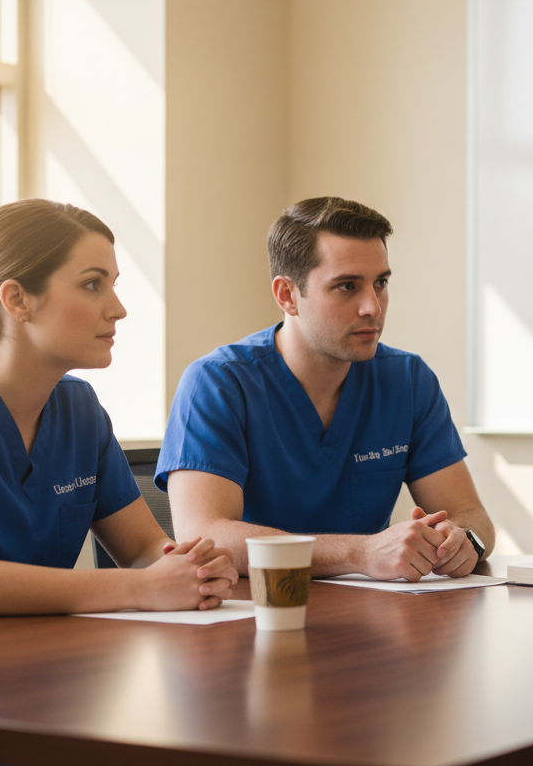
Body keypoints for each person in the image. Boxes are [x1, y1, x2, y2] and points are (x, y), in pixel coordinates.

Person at [0, 201, 240, 765]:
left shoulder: (79, 408)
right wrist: (144, 589)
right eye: (93, 285)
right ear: (17, 299)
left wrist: (187, 566)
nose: (117, 309)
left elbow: (141, 548)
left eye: (114, 284)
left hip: (28, 683)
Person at [158, 197, 494, 581]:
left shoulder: (409, 380)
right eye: (347, 286)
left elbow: (472, 515)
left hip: (372, 619)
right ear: (287, 295)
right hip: (254, 617)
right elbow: (204, 535)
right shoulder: (218, 383)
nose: (372, 306)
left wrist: (464, 541)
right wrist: (359, 552)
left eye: (381, 283)